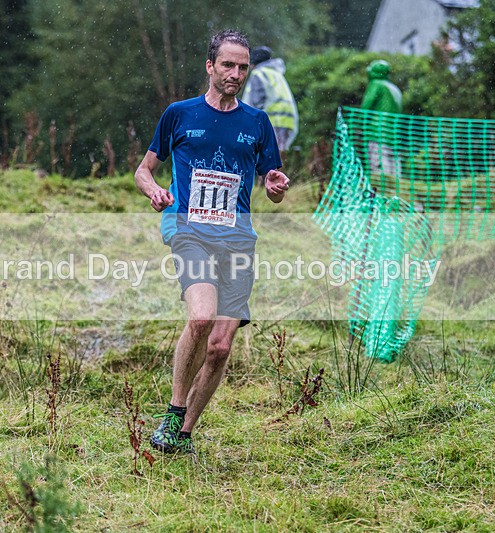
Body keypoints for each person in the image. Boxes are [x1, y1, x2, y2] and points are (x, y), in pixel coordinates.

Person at [134, 30, 289, 455]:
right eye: (228, 65)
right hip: (190, 232)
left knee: (220, 347)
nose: (236, 74)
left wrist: (275, 187)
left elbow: (273, 184)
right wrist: (154, 191)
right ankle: (173, 411)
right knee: (201, 319)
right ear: (210, 66)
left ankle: (182, 435)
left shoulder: (257, 123)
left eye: (243, 67)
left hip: (238, 240)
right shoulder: (179, 114)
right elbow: (144, 170)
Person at [240, 46, 299, 153]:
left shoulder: (259, 73)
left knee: (267, 155)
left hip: (271, 120)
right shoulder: (276, 73)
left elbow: (258, 101)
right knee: (279, 155)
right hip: (287, 120)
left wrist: (251, 122)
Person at [361, 59, 403, 177]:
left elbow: (366, 107)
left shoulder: (376, 84)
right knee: (394, 171)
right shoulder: (395, 89)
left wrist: (359, 124)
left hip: (377, 133)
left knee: (379, 171)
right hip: (394, 135)